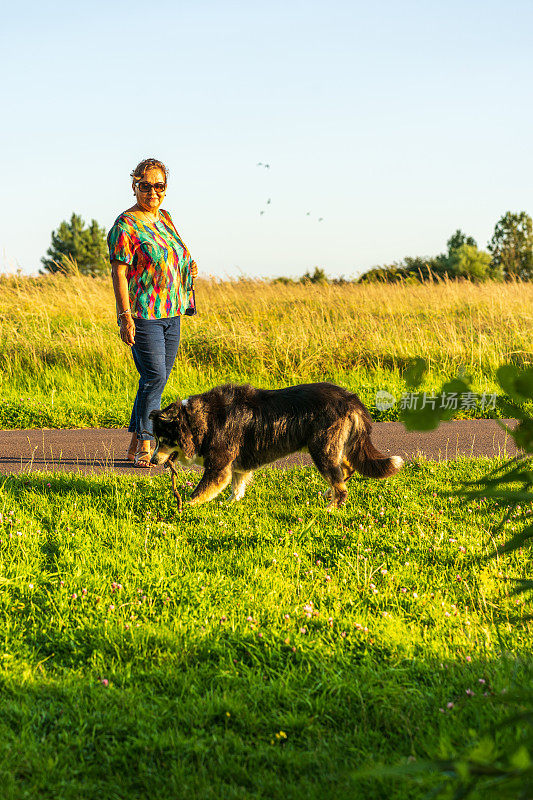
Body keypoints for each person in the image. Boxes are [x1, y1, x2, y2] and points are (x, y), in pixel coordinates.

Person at [108, 157, 198, 467]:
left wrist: (188, 267)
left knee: (154, 379)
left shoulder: (166, 218)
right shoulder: (125, 224)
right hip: (144, 313)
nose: (152, 192)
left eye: (159, 186)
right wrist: (125, 316)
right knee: (154, 377)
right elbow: (119, 272)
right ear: (134, 186)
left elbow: (175, 253)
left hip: (172, 311)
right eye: (145, 186)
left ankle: (134, 444)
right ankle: (147, 441)